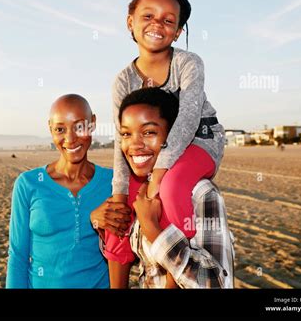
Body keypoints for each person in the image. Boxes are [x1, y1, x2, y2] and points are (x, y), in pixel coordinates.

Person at [108, 0, 226, 287]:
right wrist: (119, 197)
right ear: (130, 22)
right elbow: (122, 141)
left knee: (171, 188)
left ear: (177, 31)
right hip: (152, 147)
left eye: (168, 20)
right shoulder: (123, 80)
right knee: (117, 212)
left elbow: (186, 119)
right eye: (148, 15)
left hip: (199, 139)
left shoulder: (188, 63)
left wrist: (159, 175)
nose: (157, 25)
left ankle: (175, 275)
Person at [99, 88, 234, 288]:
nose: (134, 144)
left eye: (149, 132)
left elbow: (217, 283)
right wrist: (98, 219)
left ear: (175, 137)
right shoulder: (140, 192)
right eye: (126, 134)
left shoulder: (201, 195)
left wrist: (153, 229)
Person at [6, 94, 130, 288]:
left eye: (80, 126)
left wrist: (98, 223)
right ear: (50, 129)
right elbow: (17, 256)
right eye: (60, 129)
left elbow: (133, 245)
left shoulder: (115, 183)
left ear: (93, 123)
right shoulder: (28, 184)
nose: (70, 139)